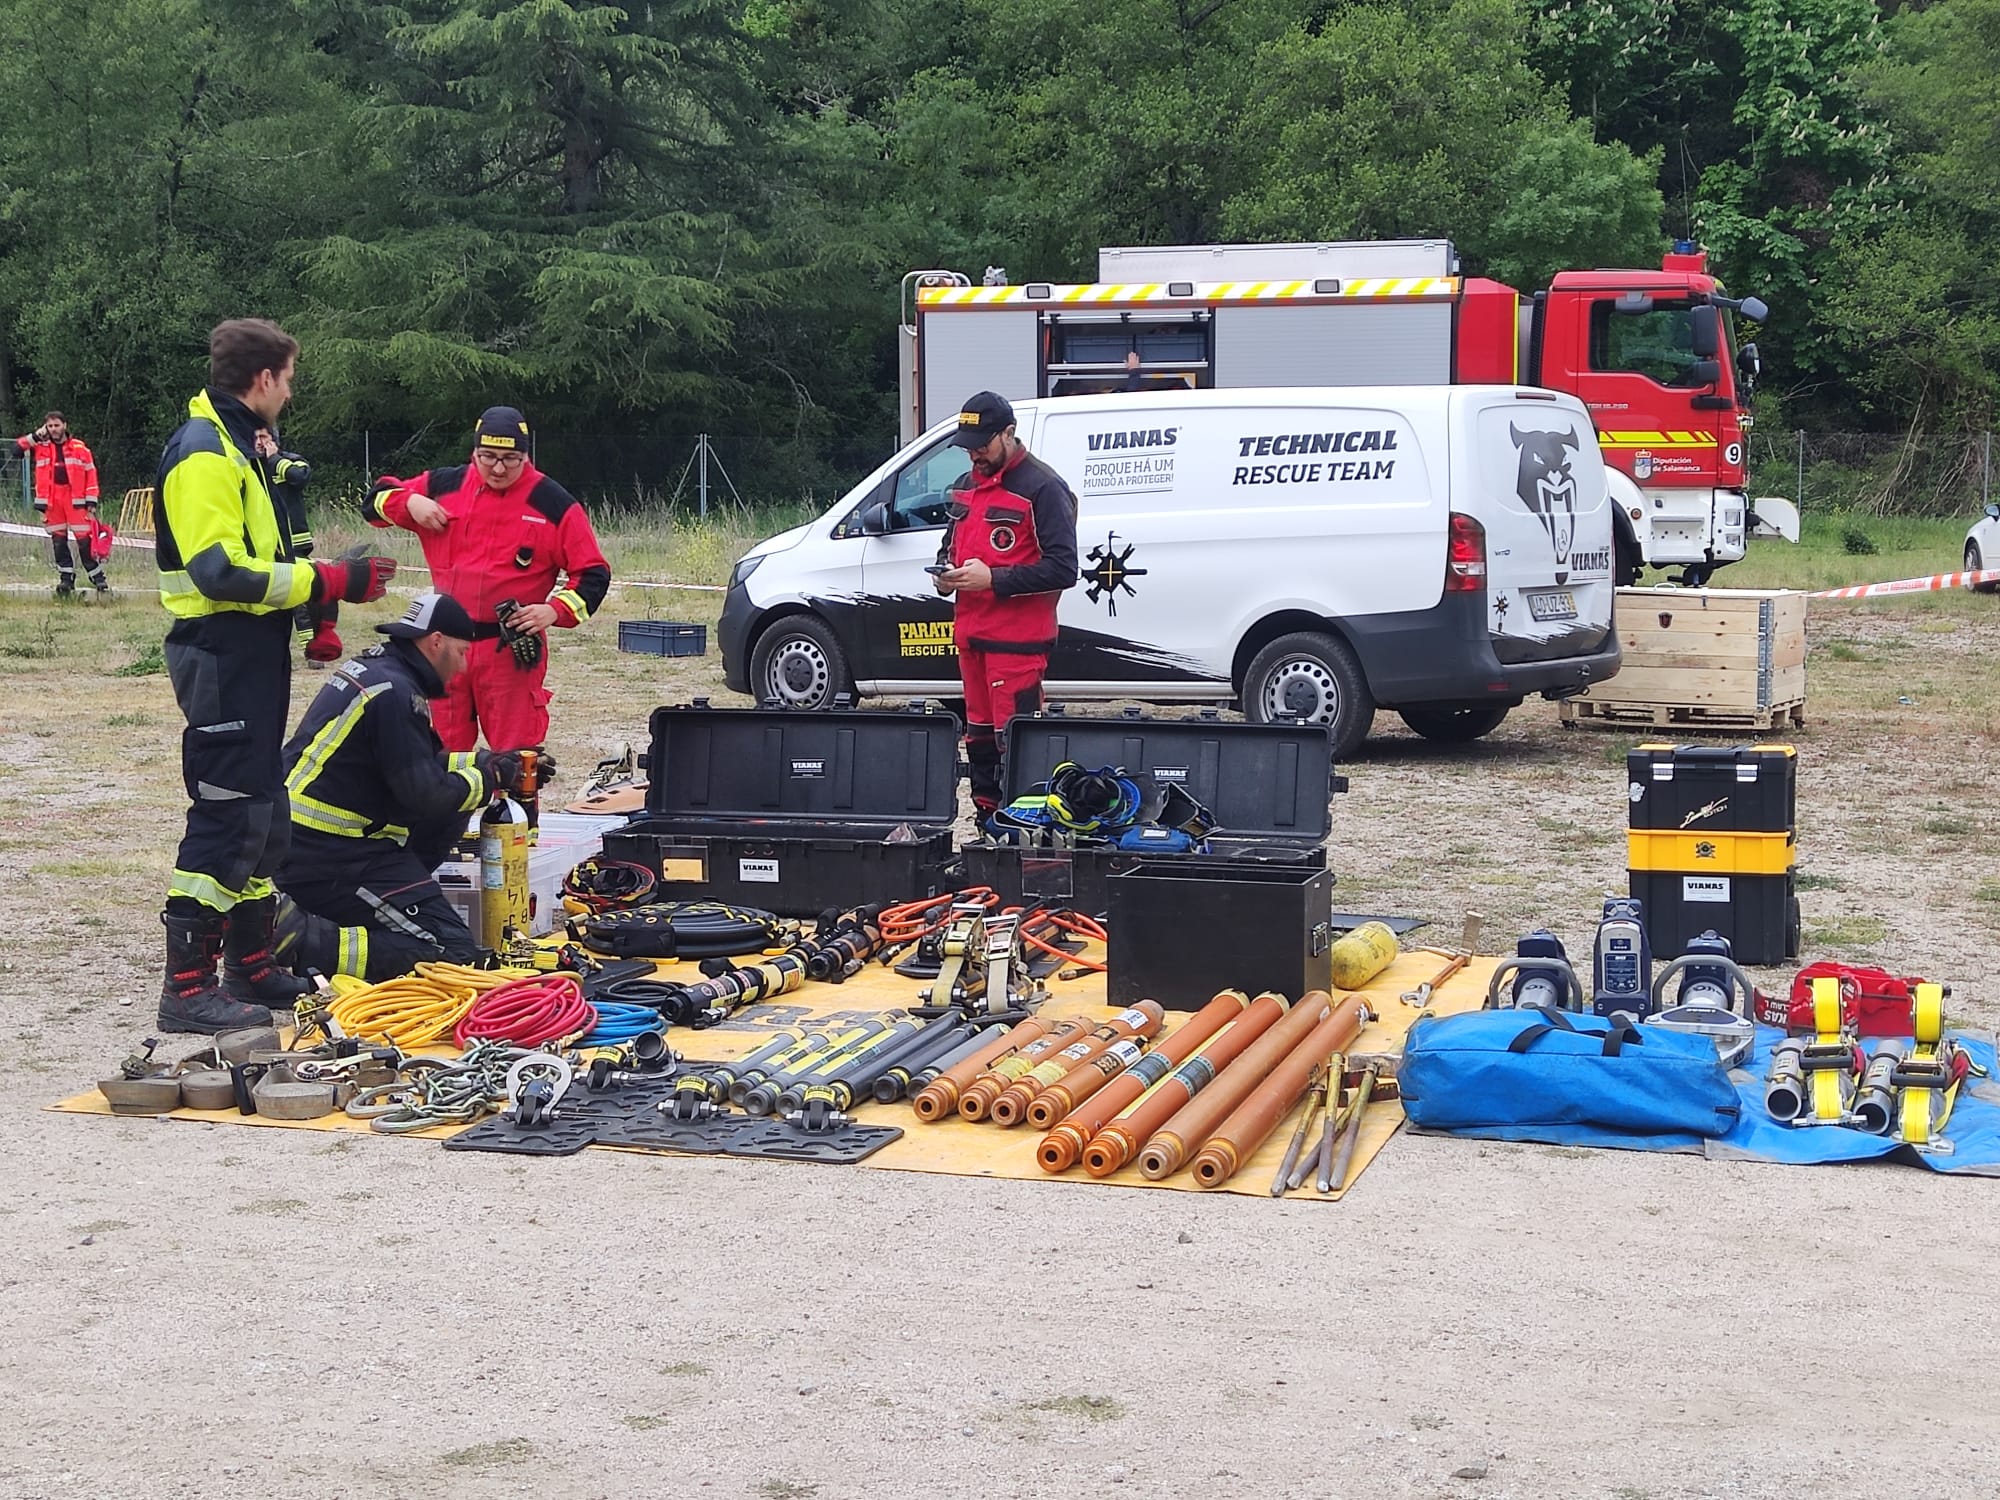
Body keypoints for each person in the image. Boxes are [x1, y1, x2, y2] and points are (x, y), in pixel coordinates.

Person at [154, 317, 399, 1034]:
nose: (290, 393)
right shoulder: (203, 452)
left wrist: (316, 604)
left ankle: (251, 967)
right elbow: (217, 571)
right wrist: (328, 577)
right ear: (263, 379)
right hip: (219, 649)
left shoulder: (240, 443)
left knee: (265, 816)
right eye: (288, 379)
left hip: (251, 651)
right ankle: (187, 989)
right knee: (227, 814)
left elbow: (267, 548)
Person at [275, 591, 542, 982]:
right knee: (453, 953)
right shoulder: (397, 695)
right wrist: (491, 779)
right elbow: (428, 795)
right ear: (435, 641)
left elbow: (412, 765)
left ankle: (337, 912)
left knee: (458, 798)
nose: (463, 665)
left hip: (307, 842)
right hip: (335, 855)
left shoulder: (381, 673)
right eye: (462, 651)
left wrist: (488, 762)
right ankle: (308, 941)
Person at [366, 406, 610, 821]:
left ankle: (519, 834)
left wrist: (553, 610)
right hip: (444, 648)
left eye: (510, 460)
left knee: (517, 752)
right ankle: (444, 835)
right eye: (487, 458)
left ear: (526, 456)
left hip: (510, 647)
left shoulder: (552, 502)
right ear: (474, 452)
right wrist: (411, 504)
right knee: (442, 747)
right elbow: (374, 502)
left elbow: (593, 575)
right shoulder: (444, 485)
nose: (497, 469)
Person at [932, 391, 1079, 822]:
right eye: (968, 446)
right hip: (972, 639)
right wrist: (945, 576)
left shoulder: (1044, 488)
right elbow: (950, 549)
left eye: (982, 444)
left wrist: (993, 580)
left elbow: (1063, 569)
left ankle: (1019, 834)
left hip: (1017, 645)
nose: (974, 453)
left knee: (1014, 743)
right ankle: (984, 825)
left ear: (1009, 434)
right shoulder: (964, 488)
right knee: (978, 739)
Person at [254, 427, 342, 666]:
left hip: (294, 541)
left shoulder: (292, 462)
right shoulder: (249, 468)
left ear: (275, 441)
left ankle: (312, 649)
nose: (259, 443)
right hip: (265, 544)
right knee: (269, 596)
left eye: (264, 438)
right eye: (256, 438)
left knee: (301, 597)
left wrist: (274, 460)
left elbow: (299, 478)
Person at [16, 410, 106, 595]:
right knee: (58, 542)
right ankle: (66, 580)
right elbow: (16, 450)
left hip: (76, 500)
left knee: (84, 542)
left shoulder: (80, 448)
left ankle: (98, 578)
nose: (53, 429)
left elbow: (91, 475)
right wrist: (35, 435)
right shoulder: (40, 446)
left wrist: (91, 501)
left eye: (57, 425)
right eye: (50, 426)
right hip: (52, 501)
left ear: (64, 425)